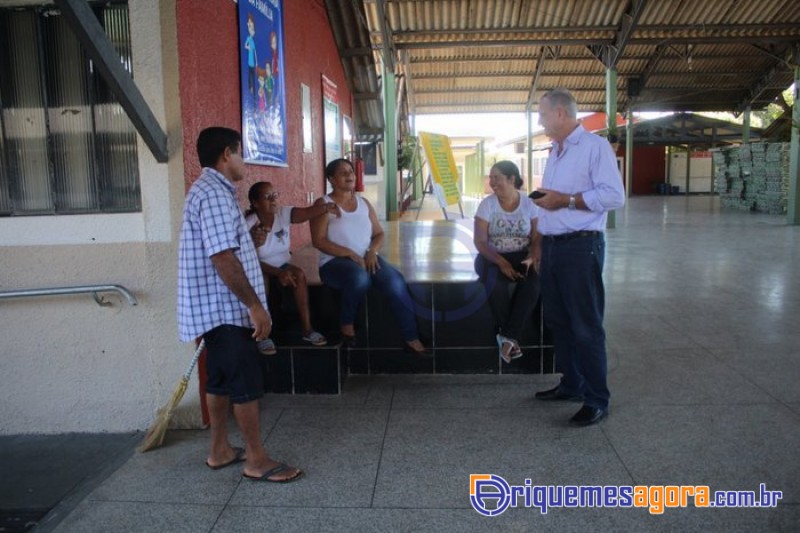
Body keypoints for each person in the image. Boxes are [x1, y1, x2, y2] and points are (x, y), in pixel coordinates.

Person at [177, 127, 303, 482]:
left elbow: (223, 246)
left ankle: (219, 450)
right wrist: (254, 306)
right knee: (244, 383)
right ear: (227, 154)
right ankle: (256, 459)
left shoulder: (207, 191)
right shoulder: (215, 196)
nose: (243, 160)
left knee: (218, 381)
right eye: (241, 152)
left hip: (213, 309)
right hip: (227, 308)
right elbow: (222, 256)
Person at [530, 88, 626, 426]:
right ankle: (571, 384)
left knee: (586, 326)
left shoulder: (594, 147)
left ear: (560, 113)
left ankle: (597, 398)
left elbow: (615, 196)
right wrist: (539, 243)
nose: (539, 120)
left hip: (581, 247)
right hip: (555, 248)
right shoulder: (554, 151)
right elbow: (549, 202)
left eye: (542, 114)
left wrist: (567, 201)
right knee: (559, 322)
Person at [309, 158, 428, 355]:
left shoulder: (363, 203)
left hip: (367, 258)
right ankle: (346, 323)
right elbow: (318, 241)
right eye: (343, 172)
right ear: (331, 178)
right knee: (360, 278)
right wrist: (351, 254)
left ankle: (411, 337)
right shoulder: (324, 204)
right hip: (334, 263)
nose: (349, 175)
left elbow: (379, 233)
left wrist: (372, 251)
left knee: (395, 282)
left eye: (351, 172)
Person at [245, 180, 340, 347]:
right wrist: (277, 273)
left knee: (299, 275)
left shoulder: (283, 214)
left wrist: (326, 207)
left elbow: (305, 213)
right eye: (267, 197)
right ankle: (263, 335)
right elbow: (247, 260)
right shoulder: (250, 224)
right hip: (258, 268)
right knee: (263, 282)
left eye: (275, 195)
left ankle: (307, 330)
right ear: (255, 203)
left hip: (282, 264)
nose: (273, 200)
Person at [473, 161, 541, 364]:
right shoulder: (487, 204)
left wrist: (532, 256)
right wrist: (501, 262)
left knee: (533, 284)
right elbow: (480, 242)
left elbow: (538, 238)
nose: (492, 182)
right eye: (490, 177)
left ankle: (507, 338)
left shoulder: (529, 205)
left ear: (512, 179)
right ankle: (512, 338)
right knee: (496, 285)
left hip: (522, 255)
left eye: (497, 178)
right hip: (491, 256)